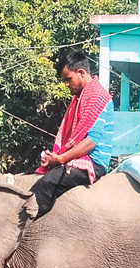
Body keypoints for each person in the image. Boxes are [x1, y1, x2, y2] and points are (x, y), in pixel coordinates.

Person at [31, 50, 115, 218]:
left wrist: (61, 159)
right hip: (79, 159)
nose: (66, 85)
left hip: (93, 162)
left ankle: (24, 230)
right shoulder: (80, 98)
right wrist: (55, 158)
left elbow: (91, 141)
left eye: (68, 79)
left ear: (81, 73)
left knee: (46, 184)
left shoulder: (97, 98)